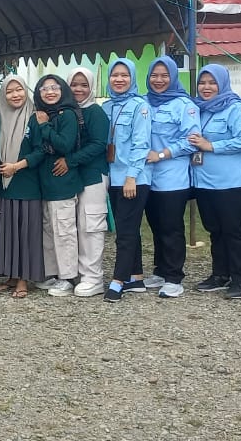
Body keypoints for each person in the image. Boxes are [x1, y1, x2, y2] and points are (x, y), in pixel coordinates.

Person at [189, 63, 241, 300]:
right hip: (204, 182)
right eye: (202, 82)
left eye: (212, 83)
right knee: (215, 230)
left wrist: (212, 146)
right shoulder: (199, 109)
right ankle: (220, 275)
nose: (206, 87)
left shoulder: (236, 108)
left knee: (234, 231)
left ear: (223, 84)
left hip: (232, 182)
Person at [141, 56, 199, 298]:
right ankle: (160, 270)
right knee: (155, 225)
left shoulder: (184, 105)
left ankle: (174, 277)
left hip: (172, 177)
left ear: (173, 77)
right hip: (147, 176)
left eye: (165, 76)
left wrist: (163, 154)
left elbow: (192, 140)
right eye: (154, 75)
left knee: (171, 227)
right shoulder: (143, 102)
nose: (159, 80)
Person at [102, 59, 153, 302]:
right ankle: (136, 276)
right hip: (113, 177)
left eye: (124, 75)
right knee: (128, 228)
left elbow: (141, 144)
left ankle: (118, 281)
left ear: (132, 78)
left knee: (125, 231)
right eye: (115, 75)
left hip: (133, 179)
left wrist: (131, 176)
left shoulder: (140, 106)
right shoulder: (106, 107)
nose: (119, 79)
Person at [32, 74, 84, 297]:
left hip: (63, 184)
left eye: (54, 87)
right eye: (44, 89)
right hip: (46, 184)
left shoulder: (68, 114)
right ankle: (53, 273)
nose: (50, 92)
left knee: (64, 232)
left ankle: (68, 277)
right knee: (49, 231)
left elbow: (64, 145)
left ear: (63, 90)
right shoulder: (42, 114)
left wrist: (44, 126)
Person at [0, 77, 44, 299]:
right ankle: (12, 275)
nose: (15, 95)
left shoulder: (34, 118)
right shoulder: (0, 118)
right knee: (8, 232)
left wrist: (16, 166)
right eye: (9, 91)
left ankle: (24, 278)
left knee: (25, 233)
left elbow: (41, 151)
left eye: (19, 90)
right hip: (6, 185)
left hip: (27, 184)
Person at [63, 67, 110, 297]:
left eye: (84, 85)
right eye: (74, 84)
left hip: (93, 175)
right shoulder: (65, 111)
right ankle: (71, 274)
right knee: (70, 226)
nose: (78, 89)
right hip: (71, 177)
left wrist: (70, 160)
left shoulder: (95, 112)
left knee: (90, 225)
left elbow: (99, 144)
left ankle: (93, 277)